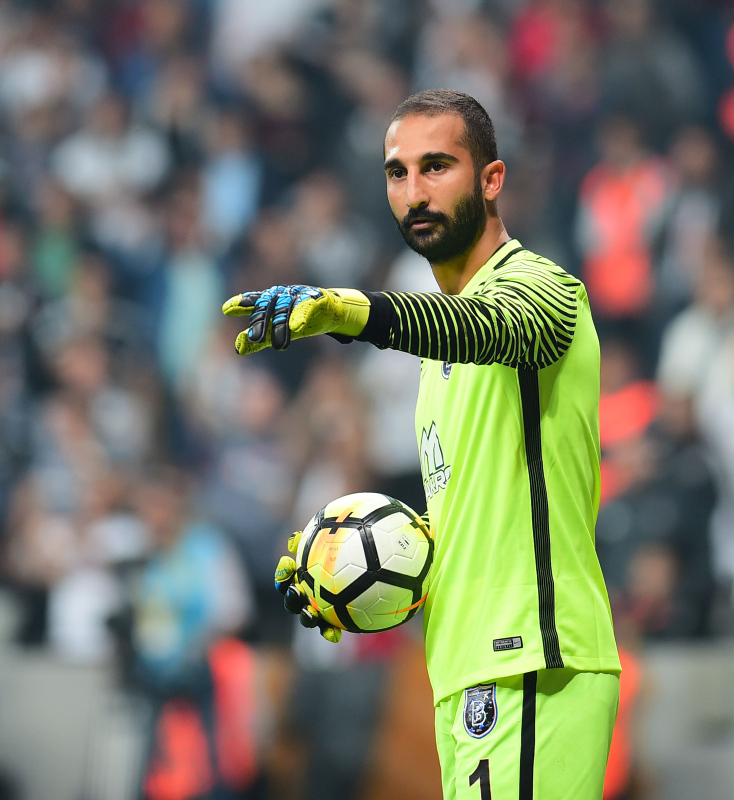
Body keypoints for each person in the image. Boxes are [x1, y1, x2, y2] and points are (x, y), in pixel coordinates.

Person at [222, 89, 621, 800]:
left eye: (436, 166)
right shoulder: (435, 366)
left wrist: (352, 312)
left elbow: (493, 327)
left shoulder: (543, 288)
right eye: (397, 173)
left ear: (491, 179)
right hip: (466, 670)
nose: (414, 192)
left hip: (533, 659)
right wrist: (344, 576)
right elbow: (470, 531)